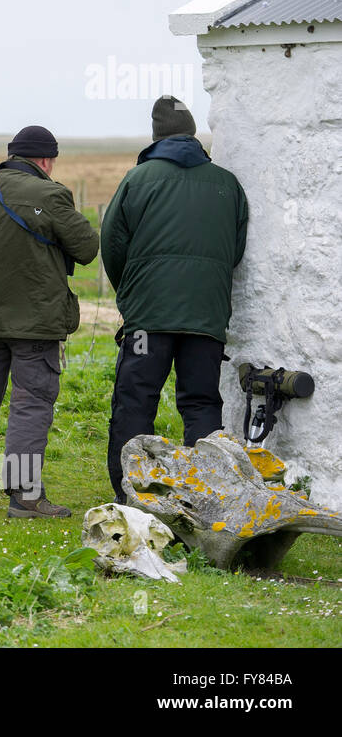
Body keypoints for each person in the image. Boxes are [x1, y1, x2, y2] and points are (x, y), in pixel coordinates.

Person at [0, 126, 99, 518]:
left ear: (12, 155)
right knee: (30, 403)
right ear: (46, 160)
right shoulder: (50, 194)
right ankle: (26, 496)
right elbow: (87, 248)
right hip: (36, 321)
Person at [101, 96, 248, 503]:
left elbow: (113, 246)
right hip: (206, 318)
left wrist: (131, 295)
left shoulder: (137, 179)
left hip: (148, 320)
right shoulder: (227, 184)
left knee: (136, 400)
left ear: (156, 136)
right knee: (201, 401)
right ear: (192, 134)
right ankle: (205, 493)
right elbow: (234, 251)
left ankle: (131, 491)